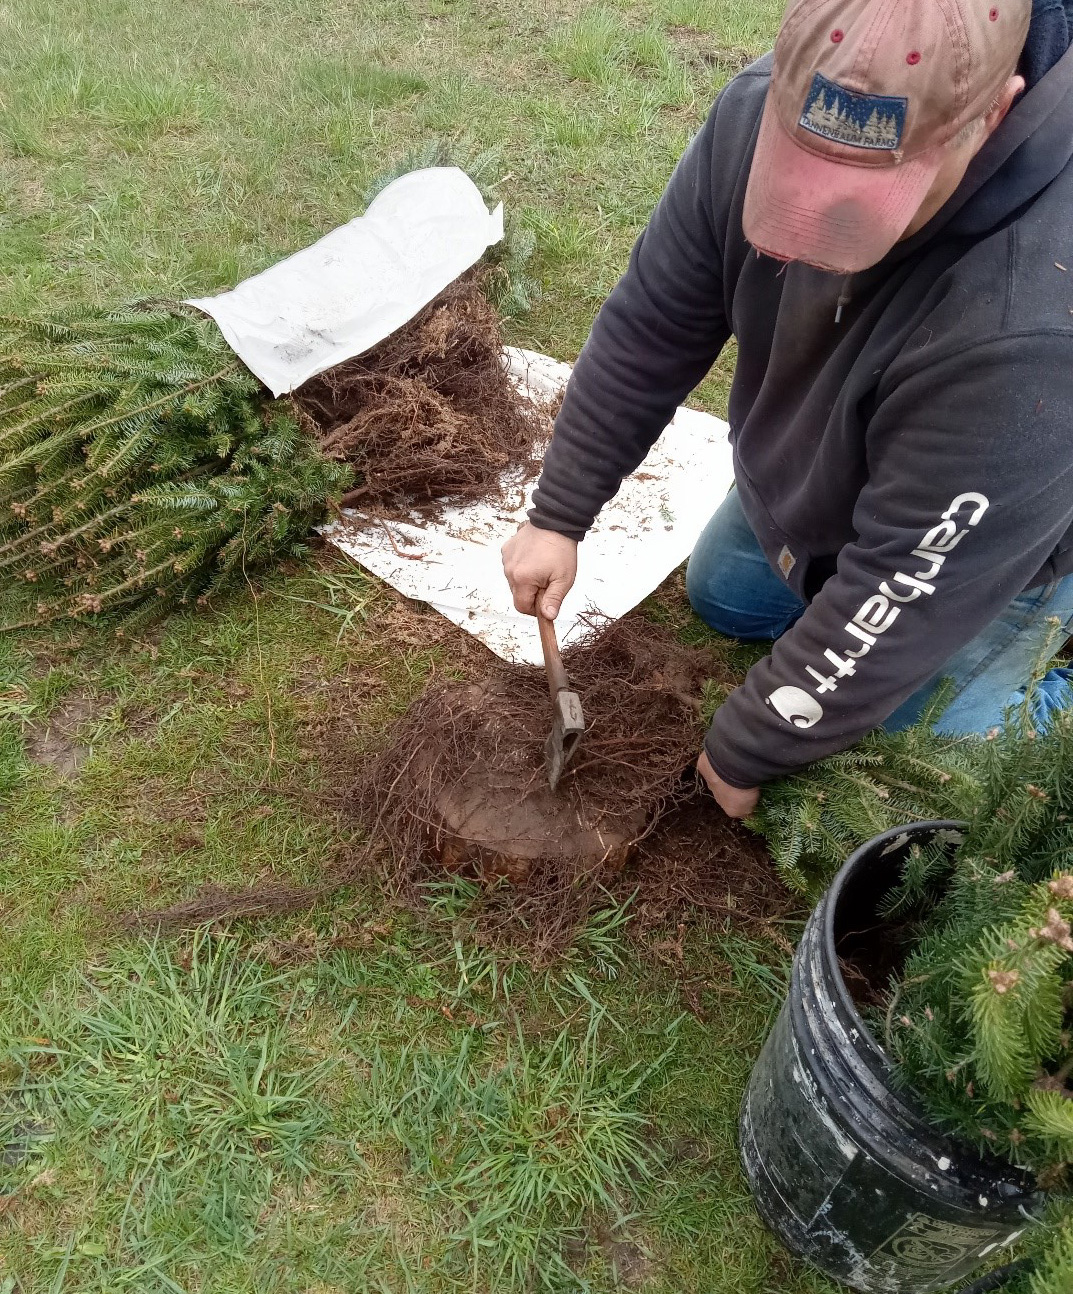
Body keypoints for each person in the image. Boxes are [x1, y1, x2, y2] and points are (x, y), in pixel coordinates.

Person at [503, 0, 1073, 820]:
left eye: (866, 198)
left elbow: (906, 582)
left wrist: (751, 743)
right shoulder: (765, 103)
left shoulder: (1033, 313)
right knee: (727, 599)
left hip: (989, 536)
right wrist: (558, 512)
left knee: (926, 757)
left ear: (993, 113)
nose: (812, 235)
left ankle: (1042, 677)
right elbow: (656, 322)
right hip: (845, 455)